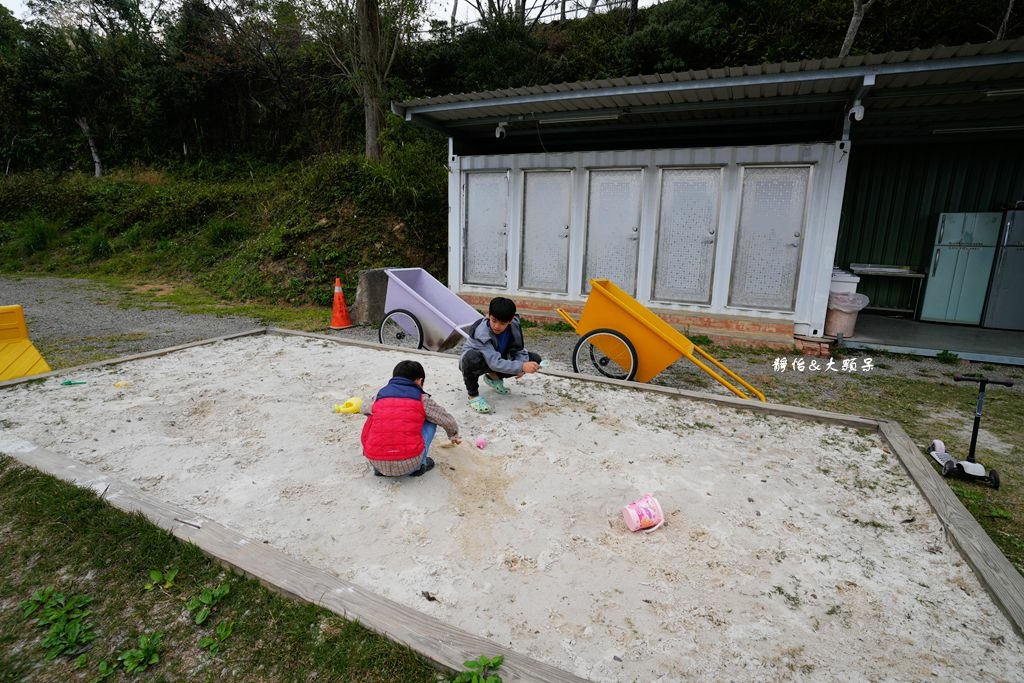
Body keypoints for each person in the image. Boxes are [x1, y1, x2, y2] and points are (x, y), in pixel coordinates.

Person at [360, 360, 461, 477]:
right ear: (419, 380)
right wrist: (453, 436)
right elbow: (446, 419)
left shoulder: (380, 395)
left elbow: (363, 408)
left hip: (376, 461)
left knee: (373, 416)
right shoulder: (422, 399)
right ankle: (420, 465)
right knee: (431, 419)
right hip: (410, 463)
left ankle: (381, 466)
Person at [459, 297, 542, 414]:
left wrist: (522, 364)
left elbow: (519, 349)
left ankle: (493, 378)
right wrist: (522, 366)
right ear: (488, 315)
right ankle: (473, 396)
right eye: (494, 320)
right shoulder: (481, 332)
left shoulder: (514, 325)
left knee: (534, 359)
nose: (497, 326)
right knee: (472, 358)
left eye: (502, 323)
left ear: (510, 320)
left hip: (497, 357)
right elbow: (494, 362)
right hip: (476, 362)